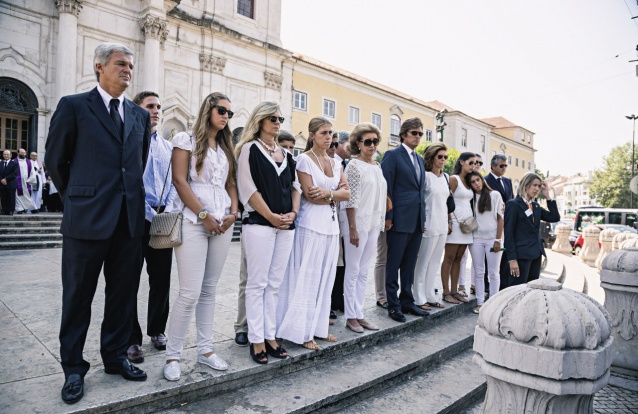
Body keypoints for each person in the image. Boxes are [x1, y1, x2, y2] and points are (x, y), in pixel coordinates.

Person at [45, 42, 151, 404]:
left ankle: (116, 356)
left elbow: (138, 162)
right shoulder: (74, 106)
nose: (127, 70)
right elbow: (55, 162)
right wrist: (78, 198)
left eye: (130, 66)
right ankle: (73, 368)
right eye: (120, 64)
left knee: (122, 297)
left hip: (128, 223)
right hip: (86, 222)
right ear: (99, 67)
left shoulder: (138, 115)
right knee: (78, 298)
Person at [162, 92, 238, 381]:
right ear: (208, 109)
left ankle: (205, 351)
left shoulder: (225, 146)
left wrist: (233, 212)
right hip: (195, 221)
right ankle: (173, 354)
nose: (225, 116)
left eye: (229, 113)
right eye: (221, 110)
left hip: (222, 224)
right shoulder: (185, 140)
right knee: (189, 291)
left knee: (209, 289)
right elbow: (180, 180)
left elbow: (230, 183)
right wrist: (204, 215)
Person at [277, 116, 350, 351]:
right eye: (323, 133)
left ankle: (319, 328)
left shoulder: (336, 163)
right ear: (311, 135)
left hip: (330, 227)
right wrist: (333, 194)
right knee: (306, 277)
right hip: (310, 226)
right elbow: (310, 196)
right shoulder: (303, 161)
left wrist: (328, 194)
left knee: (325, 279)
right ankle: (301, 332)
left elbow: (347, 194)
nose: (328, 137)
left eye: (331, 133)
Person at [236, 102, 300, 364]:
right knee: (257, 284)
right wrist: (271, 216)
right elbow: (247, 188)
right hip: (259, 225)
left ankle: (271, 335)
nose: (277, 122)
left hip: (286, 226)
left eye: (279, 118)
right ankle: (257, 338)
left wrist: (293, 214)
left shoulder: (287, 155)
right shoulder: (249, 150)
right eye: (272, 118)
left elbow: (295, 187)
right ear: (260, 120)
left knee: (274, 285)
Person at [127, 91, 176, 363]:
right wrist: (146, 210)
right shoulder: (129, 142)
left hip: (163, 219)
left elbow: (174, 183)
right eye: (149, 106)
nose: (156, 110)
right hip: (134, 219)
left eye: (158, 106)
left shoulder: (167, 147)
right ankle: (131, 339)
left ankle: (157, 330)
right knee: (129, 281)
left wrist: (165, 208)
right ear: (137, 110)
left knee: (161, 278)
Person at [381, 117, 430, 323]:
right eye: (414, 133)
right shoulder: (392, 155)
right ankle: (393, 305)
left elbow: (420, 192)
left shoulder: (419, 159)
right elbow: (387, 188)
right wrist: (388, 217)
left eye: (420, 134)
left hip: (416, 220)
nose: (418, 137)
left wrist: (423, 218)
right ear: (403, 134)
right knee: (394, 264)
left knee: (410, 264)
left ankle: (407, 301)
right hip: (399, 219)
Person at [340, 123, 385, 333]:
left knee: (364, 270)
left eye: (375, 141)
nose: (372, 145)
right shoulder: (353, 166)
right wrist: (353, 228)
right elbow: (350, 201)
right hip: (357, 223)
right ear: (358, 143)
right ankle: (350, 316)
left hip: (374, 222)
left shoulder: (377, 166)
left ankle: (359, 313)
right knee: (353, 269)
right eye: (368, 141)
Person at [504, 173, 560, 286]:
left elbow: (554, 217)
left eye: (539, 186)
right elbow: (508, 234)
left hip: (536, 254)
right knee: (518, 290)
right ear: (526, 185)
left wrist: (547, 196)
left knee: (532, 291)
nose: (537, 189)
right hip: (521, 256)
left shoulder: (536, 206)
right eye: (534, 185)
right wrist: (512, 259)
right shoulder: (513, 204)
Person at [413, 143, 450, 311]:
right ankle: (418, 297)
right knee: (422, 262)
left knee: (435, 262)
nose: (443, 160)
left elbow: (447, 203)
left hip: (442, 224)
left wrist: (449, 222)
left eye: (445, 157)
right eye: (439, 156)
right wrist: (422, 222)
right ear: (432, 158)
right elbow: (420, 201)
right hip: (428, 223)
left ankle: (430, 295)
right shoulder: (425, 176)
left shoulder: (446, 177)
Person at [441, 152, 476, 305]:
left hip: (467, 226)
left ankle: (455, 291)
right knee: (448, 258)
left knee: (459, 259)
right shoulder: (453, 179)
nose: (473, 166)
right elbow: (446, 201)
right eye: (471, 162)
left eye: (475, 163)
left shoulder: (469, 181)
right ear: (461, 162)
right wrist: (449, 221)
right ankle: (445, 292)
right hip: (455, 224)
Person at [466, 171, 504, 313]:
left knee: (494, 273)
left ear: (482, 180)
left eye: (478, 180)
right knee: (479, 272)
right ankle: (480, 303)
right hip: (476, 239)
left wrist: (498, 240)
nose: (477, 184)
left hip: (493, 239)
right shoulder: (472, 197)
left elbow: (501, 218)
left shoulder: (495, 195)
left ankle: (493, 303)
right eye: (473, 182)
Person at [484, 154, 514, 290]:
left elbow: (511, 200)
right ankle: (485, 285)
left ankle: (502, 285)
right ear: (493, 166)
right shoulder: (485, 180)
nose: (504, 168)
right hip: (491, 222)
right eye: (501, 165)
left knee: (504, 254)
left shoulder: (507, 181)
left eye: (506, 165)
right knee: (487, 256)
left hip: (506, 222)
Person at [331, 130, 351, 319]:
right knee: (334, 261)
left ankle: (338, 298)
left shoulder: (347, 164)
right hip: (331, 216)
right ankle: (331, 299)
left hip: (344, 218)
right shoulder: (334, 163)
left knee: (342, 262)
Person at [458, 153, 482, 296]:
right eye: (474, 162)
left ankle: (473, 285)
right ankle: (461, 285)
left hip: (477, 226)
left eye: (479, 163)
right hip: (464, 223)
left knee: (476, 259)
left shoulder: (478, 181)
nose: (477, 165)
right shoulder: (465, 180)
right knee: (462, 256)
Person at [13, 148, 37, 214]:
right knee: (18, 196)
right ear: (18, 153)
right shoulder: (14, 161)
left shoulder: (29, 162)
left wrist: (30, 180)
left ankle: (25, 208)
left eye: (24, 153)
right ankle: (19, 209)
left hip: (27, 182)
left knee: (27, 196)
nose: (23, 154)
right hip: (18, 182)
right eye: (22, 153)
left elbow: (32, 172)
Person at [0, 150, 18, 215]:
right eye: (4, 154)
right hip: (1, 184)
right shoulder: (1, 163)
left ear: (10, 155)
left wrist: (6, 179)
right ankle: (4, 210)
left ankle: (11, 210)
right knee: (3, 198)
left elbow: (14, 174)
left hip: (11, 183)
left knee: (11, 198)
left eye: (7, 154)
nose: (6, 155)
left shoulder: (15, 164)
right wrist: (1, 179)